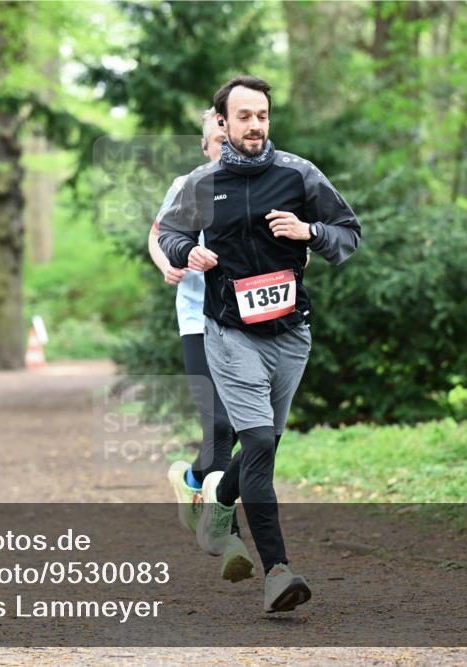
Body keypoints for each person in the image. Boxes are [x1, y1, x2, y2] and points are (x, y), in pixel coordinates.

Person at [158, 75, 361, 612]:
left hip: (291, 334)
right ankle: (278, 573)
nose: (255, 126)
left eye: (263, 116)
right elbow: (167, 234)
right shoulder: (200, 183)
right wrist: (188, 254)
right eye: (244, 116)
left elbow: (348, 231)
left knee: (262, 443)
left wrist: (309, 232)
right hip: (229, 333)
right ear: (222, 123)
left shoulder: (298, 174)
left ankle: (217, 509)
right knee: (261, 447)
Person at [147, 108, 254, 584]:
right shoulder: (187, 185)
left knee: (244, 434)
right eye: (215, 129)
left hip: (250, 319)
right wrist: (167, 264)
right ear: (207, 140)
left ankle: (193, 482)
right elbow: (156, 235)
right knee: (221, 425)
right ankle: (226, 533)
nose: (223, 135)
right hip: (197, 318)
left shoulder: (262, 181)